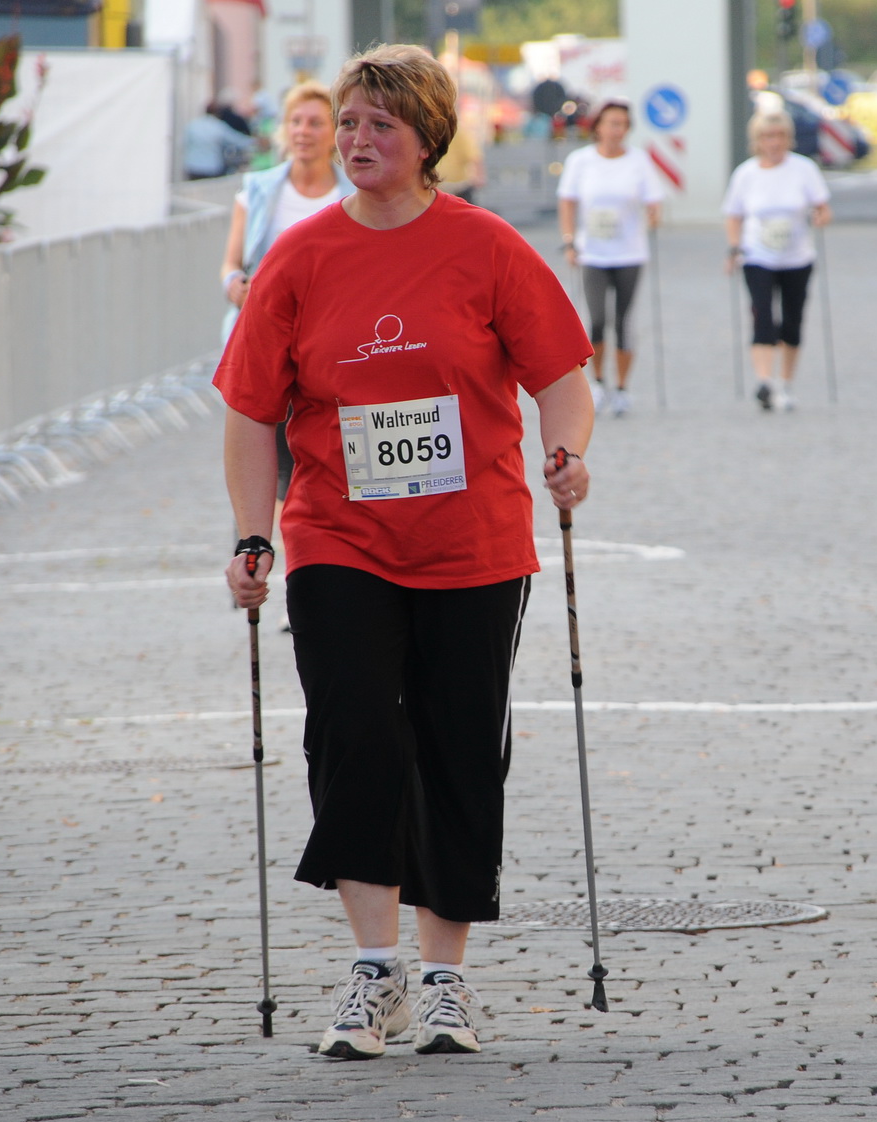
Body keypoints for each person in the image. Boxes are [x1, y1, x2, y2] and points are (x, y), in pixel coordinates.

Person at [217, 44, 595, 1061]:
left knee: (459, 744)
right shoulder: (298, 258)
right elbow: (251, 412)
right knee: (354, 732)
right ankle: (373, 967)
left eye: (380, 124)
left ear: (428, 136)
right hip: (339, 535)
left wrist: (568, 453)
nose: (356, 141)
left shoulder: (487, 249)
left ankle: (444, 977)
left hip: (473, 542)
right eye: (347, 124)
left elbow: (560, 373)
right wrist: (254, 532)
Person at [220, 80, 354, 513]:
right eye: (295, 121)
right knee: (268, 457)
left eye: (316, 122)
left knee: (330, 454)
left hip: (336, 344)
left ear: (334, 131)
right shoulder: (259, 190)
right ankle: (254, 549)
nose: (303, 131)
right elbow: (231, 264)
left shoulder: (355, 193)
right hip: (270, 343)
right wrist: (234, 284)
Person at [557, 97, 666, 417]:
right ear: (598, 127)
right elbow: (567, 201)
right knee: (597, 320)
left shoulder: (639, 161)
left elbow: (654, 199)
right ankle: (599, 381)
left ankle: (622, 387)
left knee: (624, 321)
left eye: (622, 125)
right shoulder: (581, 161)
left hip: (629, 252)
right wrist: (569, 240)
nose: (616, 130)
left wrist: (653, 215)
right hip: (593, 252)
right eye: (611, 123)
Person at [722, 107, 832, 412]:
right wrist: (734, 248)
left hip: (797, 256)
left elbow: (823, 207)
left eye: (780, 135)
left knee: (792, 321)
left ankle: (785, 382)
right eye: (768, 136)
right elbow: (733, 215)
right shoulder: (746, 174)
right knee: (763, 318)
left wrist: (820, 216)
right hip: (757, 255)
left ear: (789, 138)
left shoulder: (804, 169)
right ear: (757, 140)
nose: (775, 142)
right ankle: (764, 381)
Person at [183, 101, 256, 180]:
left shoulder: (193, 125)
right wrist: (255, 141)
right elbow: (236, 140)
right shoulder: (218, 126)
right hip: (211, 168)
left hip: (193, 166)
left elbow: (185, 143)